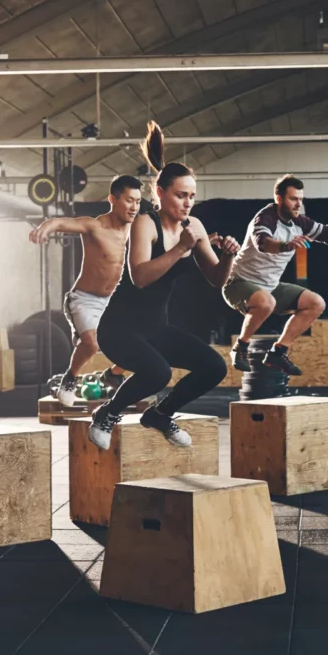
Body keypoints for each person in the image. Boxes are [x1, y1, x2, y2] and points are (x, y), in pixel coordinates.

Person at [88, 122, 240, 450]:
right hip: (118, 331)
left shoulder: (193, 226)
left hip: (156, 329)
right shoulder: (146, 223)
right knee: (157, 374)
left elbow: (217, 280)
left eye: (192, 197)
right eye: (180, 195)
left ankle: (160, 414)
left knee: (214, 366)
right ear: (160, 193)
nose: (187, 203)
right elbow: (140, 276)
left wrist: (227, 257)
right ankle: (106, 413)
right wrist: (182, 249)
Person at [223, 174, 328, 374]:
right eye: (293, 199)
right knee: (266, 302)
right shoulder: (265, 218)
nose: (298, 205)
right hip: (239, 283)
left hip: (270, 286)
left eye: (301, 200)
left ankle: (278, 352)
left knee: (316, 303)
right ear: (279, 198)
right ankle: (240, 348)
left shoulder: (300, 223)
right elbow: (263, 244)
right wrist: (286, 245)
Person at [28, 175, 141, 405]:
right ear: (113, 199)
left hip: (112, 301)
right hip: (84, 299)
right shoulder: (94, 226)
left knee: (143, 340)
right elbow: (61, 222)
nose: (134, 207)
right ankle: (70, 378)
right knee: (92, 344)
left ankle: (113, 374)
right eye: (129, 200)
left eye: (138, 202)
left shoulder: (133, 227)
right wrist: (44, 227)